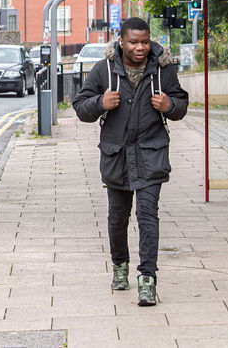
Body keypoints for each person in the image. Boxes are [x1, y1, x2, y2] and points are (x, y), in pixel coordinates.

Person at [72, 17, 189, 306]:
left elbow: (181, 105)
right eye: (134, 42)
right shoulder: (104, 71)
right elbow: (80, 108)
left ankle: (147, 280)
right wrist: (101, 103)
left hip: (151, 153)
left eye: (145, 42)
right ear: (121, 41)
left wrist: (169, 105)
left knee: (148, 216)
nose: (140, 47)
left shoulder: (162, 71)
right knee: (117, 218)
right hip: (117, 156)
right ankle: (120, 267)